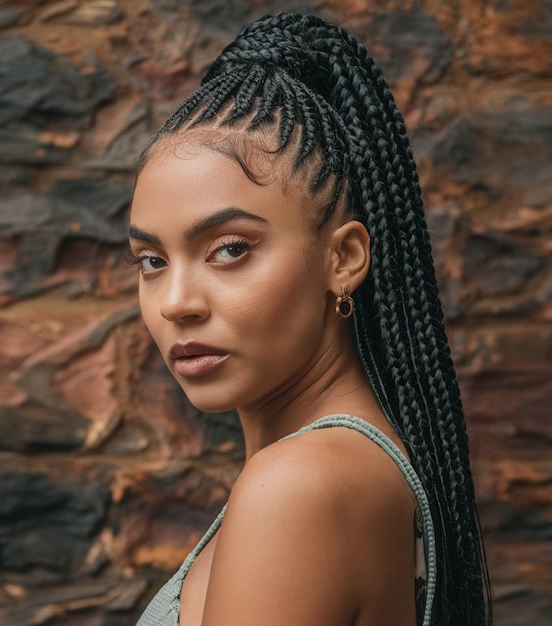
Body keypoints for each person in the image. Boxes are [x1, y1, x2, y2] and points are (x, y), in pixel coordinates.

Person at [129, 12, 491, 626]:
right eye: (152, 260)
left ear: (343, 258)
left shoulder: (299, 487)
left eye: (230, 249)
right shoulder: (339, 470)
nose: (175, 302)